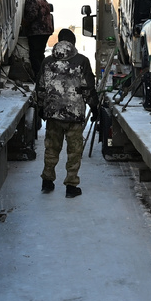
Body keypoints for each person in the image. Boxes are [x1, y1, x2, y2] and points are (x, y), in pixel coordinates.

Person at [35, 28, 99, 198]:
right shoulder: (82, 61)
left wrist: (41, 108)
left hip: (53, 114)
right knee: (74, 151)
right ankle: (71, 186)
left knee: (51, 148)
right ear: (73, 43)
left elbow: (40, 88)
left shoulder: (47, 62)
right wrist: (95, 108)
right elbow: (88, 88)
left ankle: (47, 182)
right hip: (74, 115)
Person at [21, 0, 54, 81]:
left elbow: (32, 14)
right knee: (40, 54)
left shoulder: (31, 0)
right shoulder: (43, 0)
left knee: (34, 55)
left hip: (36, 32)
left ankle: (38, 77)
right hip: (46, 31)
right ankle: (44, 75)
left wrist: (24, 22)